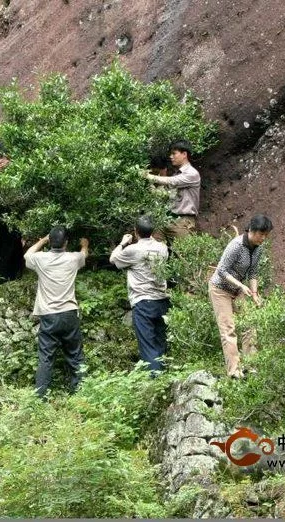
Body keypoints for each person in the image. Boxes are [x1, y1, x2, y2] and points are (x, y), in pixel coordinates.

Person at [24, 226, 89, 398]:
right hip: (69, 313)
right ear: (66, 243)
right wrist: (84, 245)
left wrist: (42, 240)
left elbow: (27, 255)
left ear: (50, 242)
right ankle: (80, 393)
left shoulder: (40, 259)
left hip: (48, 314)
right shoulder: (73, 258)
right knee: (75, 355)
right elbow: (84, 255)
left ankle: (41, 396)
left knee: (46, 358)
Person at [208, 214, 273, 379]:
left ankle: (251, 367)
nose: (263, 238)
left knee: (249, 326)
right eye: (261, 234)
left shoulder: (258, 248)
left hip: (239, 291)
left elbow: (253, 273)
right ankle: (234, 372)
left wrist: (255, 294)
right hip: (220, 289)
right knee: (228, 330)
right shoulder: (236, 245)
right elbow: (221, 271)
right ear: (251, 230)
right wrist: (241, 285)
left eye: (266, 235)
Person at [109, 215, 170, 373]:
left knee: (148, 346)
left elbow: (113, 259)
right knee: (160, 341)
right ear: (153, 231)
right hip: (162, 300)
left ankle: (155, 381)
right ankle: (164, 377)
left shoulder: (132, 250)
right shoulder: (162, 247)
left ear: (136, 232)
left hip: (143, 302)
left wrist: (123, 243)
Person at [142, 140, 201, 240]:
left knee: (182, 254)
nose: (171, 156)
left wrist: (146, 176)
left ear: (184, 154)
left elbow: (170, 181)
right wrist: (150, 186)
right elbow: (166, 194)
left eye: (174, 153)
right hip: (166, 219)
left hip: (183, 222)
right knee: (153, 250)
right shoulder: (177, 173)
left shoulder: (192, 173)